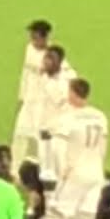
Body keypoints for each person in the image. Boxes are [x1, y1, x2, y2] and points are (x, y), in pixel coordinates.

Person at [29, 78, 108, 219]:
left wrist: (62, 169)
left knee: (55, 213)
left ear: (72, 94)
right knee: (87, 217)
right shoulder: (100, 116)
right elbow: (103, 147)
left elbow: (59, 147)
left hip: (75, 172)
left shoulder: (68, 119)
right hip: (96, 172)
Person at [33, 45, 76, 189]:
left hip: (57, 134)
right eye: (46, 57)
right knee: (46, 174)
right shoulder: (46, 78)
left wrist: (49, 129)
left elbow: (61, 104)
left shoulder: (62, 82)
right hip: (45, 130)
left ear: (60, 62)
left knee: (57, 174)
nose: (47, 61)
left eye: (52, 58)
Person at [11, 20, 51, 161]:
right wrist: (21, 98)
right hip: (28, 101)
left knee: (40, 141)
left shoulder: (53, 57)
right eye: (31, 37)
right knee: (19, 136)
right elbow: (25, 76)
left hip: (43, 106)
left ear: (44, 37)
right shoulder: (29, 49)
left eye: (35, 37)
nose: (32, 40)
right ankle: (14, 169)